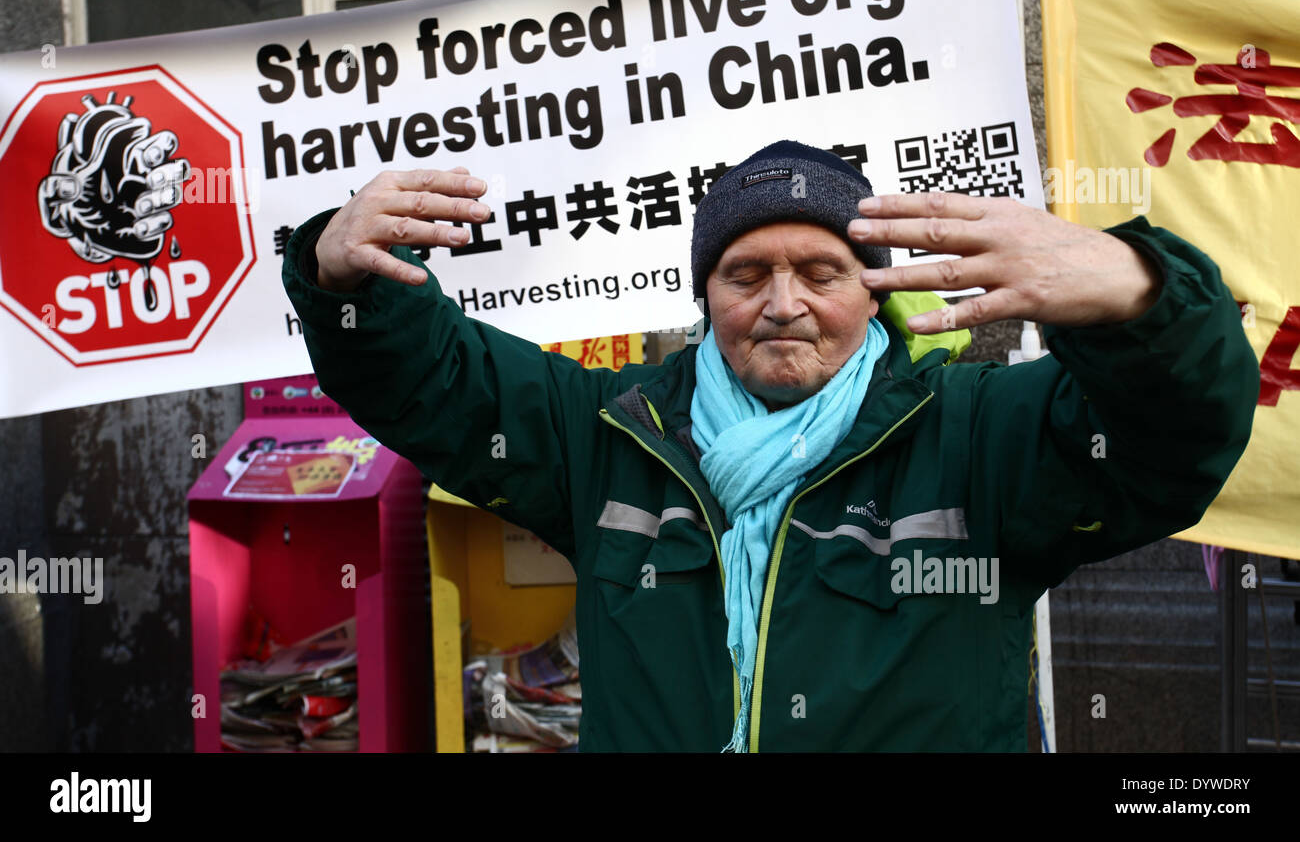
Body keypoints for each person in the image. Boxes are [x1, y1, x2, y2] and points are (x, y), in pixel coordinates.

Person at [281, 139, 1257, 751]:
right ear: (705, 293)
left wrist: (1147, 294)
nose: (783, 303)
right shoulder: (612, 431)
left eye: (821, 270)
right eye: (746, 271)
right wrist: (344, 277)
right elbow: (432, 382)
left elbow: (1170, 442)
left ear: (871, 288)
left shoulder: (975, 432)